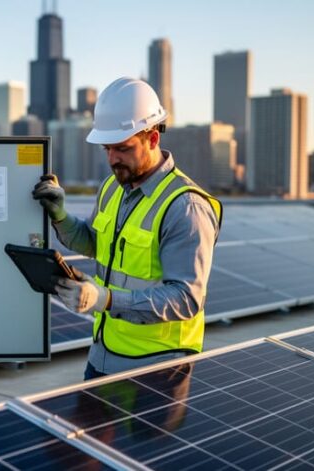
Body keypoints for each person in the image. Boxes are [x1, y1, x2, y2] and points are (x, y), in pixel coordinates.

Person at [32, 77, 222, 380]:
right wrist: (60, 215)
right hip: (103, 353)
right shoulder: (112, 187)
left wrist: (104, 300)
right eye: (107, 148)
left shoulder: (185, 207)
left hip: (159, 367)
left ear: (153, 139)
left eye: (122, 148)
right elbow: (96, 243)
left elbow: (187, 298)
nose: (112, 159)